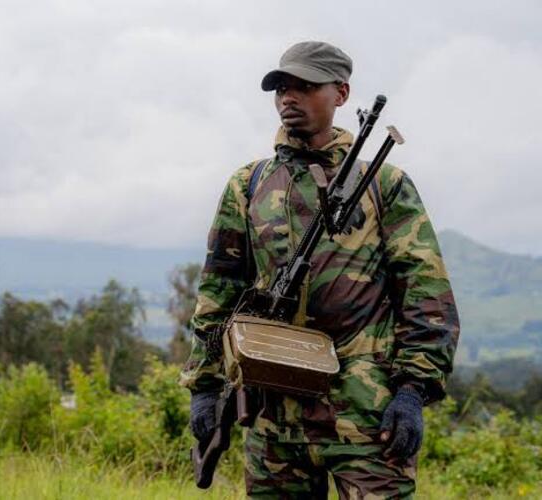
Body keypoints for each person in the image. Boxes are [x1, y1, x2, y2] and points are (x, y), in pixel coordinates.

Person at [180, 41, 460, 499]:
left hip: (367, 418)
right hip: (274, 421)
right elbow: (219, 288)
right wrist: (205, 386)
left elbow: (426, 294)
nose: (289, 98)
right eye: (282, 88)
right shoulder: (248, 185)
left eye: (306, 86)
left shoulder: (384, 185)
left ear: (341, 94)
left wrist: (413, 391)